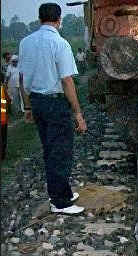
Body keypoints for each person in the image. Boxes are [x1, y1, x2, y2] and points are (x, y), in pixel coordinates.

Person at [18, 2, 87, 214]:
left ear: (40, 19)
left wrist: (27, 107)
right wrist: (78, 113)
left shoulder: (25, 43)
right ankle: (60, 202)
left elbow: (22, 78)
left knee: (50, 149)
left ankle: (61, 191)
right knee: (60, 152)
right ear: (59, 20)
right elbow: (66, 81)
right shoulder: (60, 43)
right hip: (55, 103)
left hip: (37, 102)